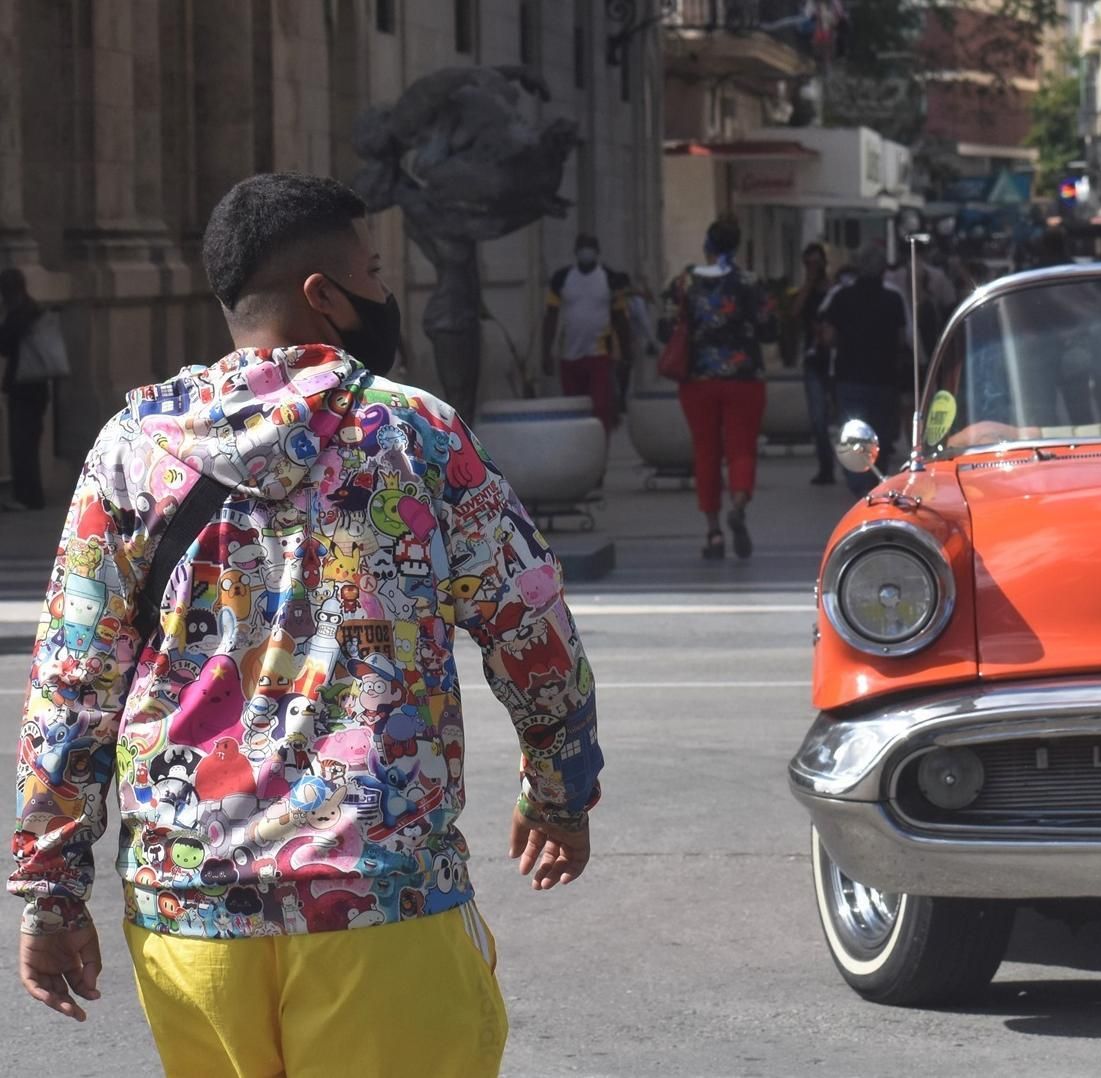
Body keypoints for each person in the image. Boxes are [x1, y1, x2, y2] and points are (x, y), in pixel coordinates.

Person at [10, 173, 602, 1077]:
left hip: (191, 913)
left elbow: (71, 679)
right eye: (371, 269)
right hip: (379, 897)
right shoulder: (418, 436)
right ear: (324, 295)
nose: (383, 288)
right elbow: (532, 630)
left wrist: (50, 893)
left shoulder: (131, 448)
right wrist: (558, 791)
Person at [662, 218, 776, 559]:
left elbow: (664, 327)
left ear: (707, 247)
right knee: (742, 448)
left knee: (706, 452)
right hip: (744, 378)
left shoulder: (685, 282)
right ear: (736, 246)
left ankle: (713, 533)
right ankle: (738, 505)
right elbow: (770, 329)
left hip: (698, 382)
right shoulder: (750, 283)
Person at [819, 242, 910, 496]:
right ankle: (874, 478)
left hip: (849, 377)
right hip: (884, 378)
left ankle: (858, 483)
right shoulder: (893, 299)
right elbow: (903, 339)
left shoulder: (841, 297)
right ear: (883, 271)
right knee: (880, 433)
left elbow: (828, 337)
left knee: (852, 431)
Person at [541, 232, 634, 434]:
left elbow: (620, 317)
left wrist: (627, 351)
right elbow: (551, 316)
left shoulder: (610, 279)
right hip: (569, 355)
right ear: (575, 251)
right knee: (575, 408)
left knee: (601, 407)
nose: (586, 252)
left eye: (590, 247)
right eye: (582, 247)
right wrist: (545, 352)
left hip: (599, 353)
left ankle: (601, 447)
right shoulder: (561, 278)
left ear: (598, 252)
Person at [0, 267, 53, 510]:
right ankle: (33, 495)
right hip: (38, 386)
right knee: (30, 441)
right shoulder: (35, 309)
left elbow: (6, 345)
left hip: (23, 387)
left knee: (22, 444)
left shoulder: (18, 314)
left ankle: (27, 496)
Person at [790, 243, 838, 486]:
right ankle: (825, 465)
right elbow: (795, 312)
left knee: (843, 417)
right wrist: (808, 284)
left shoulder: (834, 292)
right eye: (809, 263)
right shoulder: (806, 292)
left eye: (817, 263)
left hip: (836, 362)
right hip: (813, 361)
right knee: (818, 418)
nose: (814, 268)